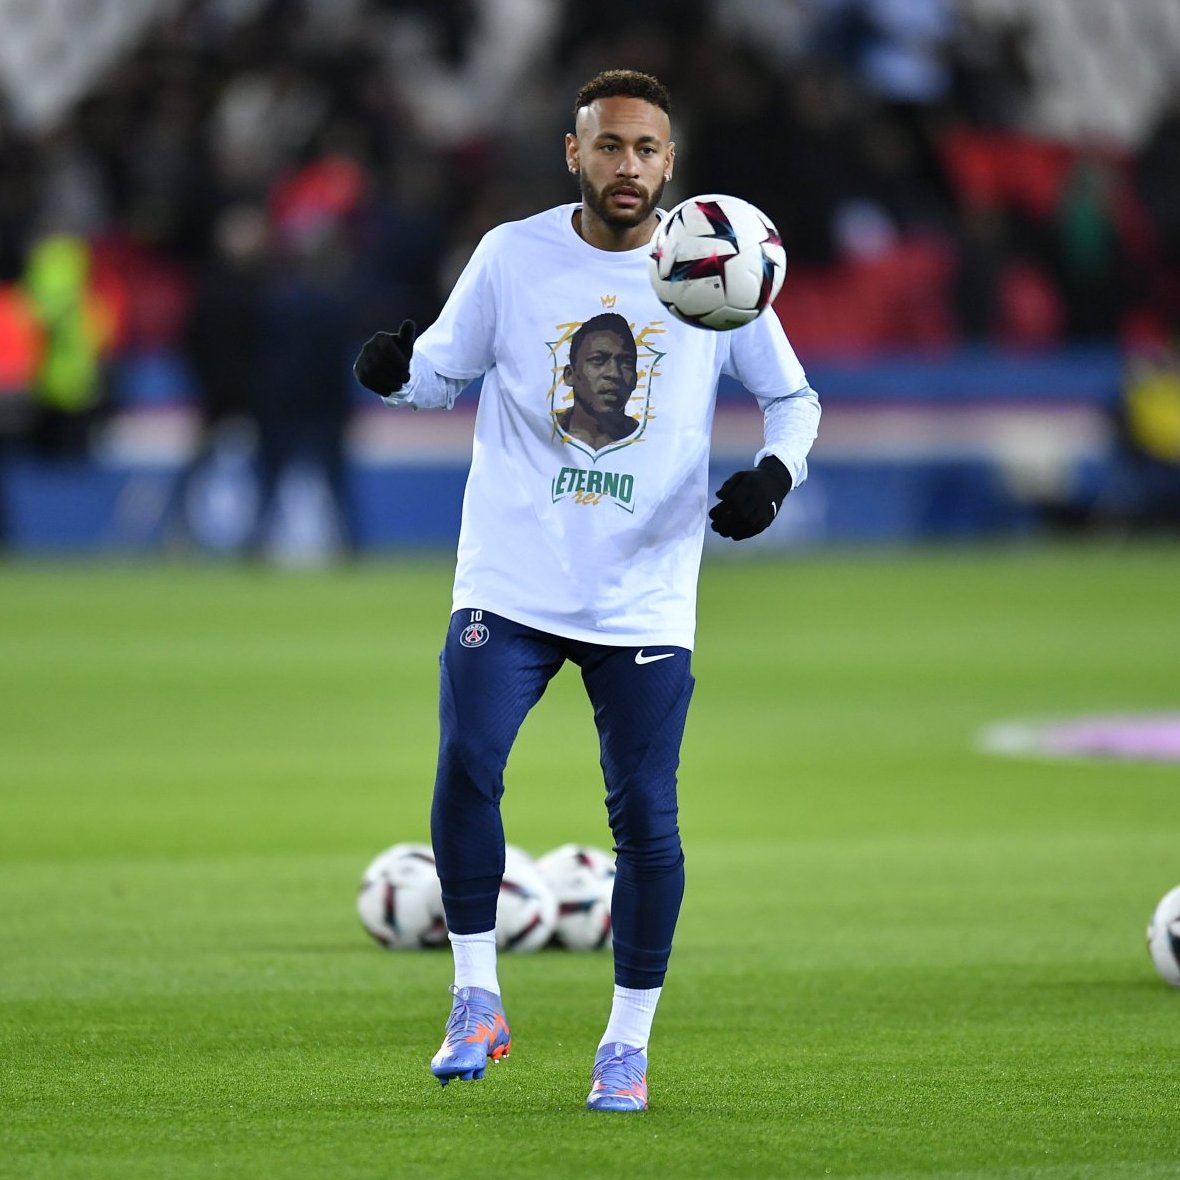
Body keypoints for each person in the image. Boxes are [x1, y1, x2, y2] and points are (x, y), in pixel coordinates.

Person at [353, 68, 820, 1113]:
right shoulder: (511, 256)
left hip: (642, 593)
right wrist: (393, 371)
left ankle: (626, 1043)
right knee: (468, 762)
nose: (628, 167)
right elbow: (439, 371)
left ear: (670, 163)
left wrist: (772, 478)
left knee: (646, 819)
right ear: (574, 152)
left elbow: (791, 399)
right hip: (511, 576)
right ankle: (475, 995)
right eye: (609, 146)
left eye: (647, 150)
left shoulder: (711, 265)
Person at [555, 312, 641, 449]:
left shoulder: (653, 441)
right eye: (598, 360)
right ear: (570, 375)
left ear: (635, 380)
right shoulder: (539, 432)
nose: (614, 373)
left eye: (626, 363)